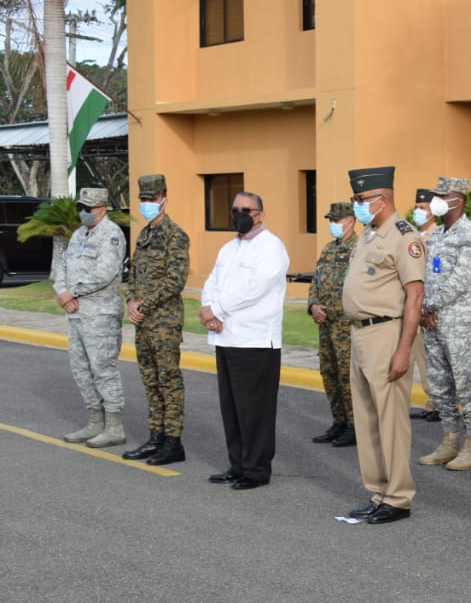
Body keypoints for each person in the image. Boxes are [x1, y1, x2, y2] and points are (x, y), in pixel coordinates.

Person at [341, 166, 425, 524]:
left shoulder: (404, 237)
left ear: (382, 199)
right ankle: (378, 492)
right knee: (367, 419)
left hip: (387, 333)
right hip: (360, 334)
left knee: (390, 420)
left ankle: (399, 497)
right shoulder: (368, 234)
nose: (356, 206)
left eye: (360, 200)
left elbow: (415, 297)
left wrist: (403, 350)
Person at [200, 191, 289, 490]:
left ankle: (256, 470)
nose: (240, 214)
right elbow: (212, 281)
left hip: (255, 341)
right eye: (235, 209)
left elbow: (256, 288)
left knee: (255, 411)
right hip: (226, 338)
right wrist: (207, 309)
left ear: (260, 214)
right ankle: (237, 465)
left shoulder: (271, 247)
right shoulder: (228, 248)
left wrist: (218, 309)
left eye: (246, 210)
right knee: (233, 408)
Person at [416, 176, 471, 471]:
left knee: (466, 384)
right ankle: (449, 441)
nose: (436, 201)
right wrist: (423, 310)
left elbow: (460, 281)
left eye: (442, 195)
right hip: (433, 322)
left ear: (457, 199)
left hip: (459, 323)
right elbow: (427, 275)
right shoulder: (437, 236)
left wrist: (429, 307)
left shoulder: (470, 235)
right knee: (440, 385)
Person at [122, 174, 190, 465]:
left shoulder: (176, 235)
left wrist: (144, 303)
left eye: (152, 198)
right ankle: (156, 436)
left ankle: (173, 442)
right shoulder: (144, 235)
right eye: (143, 199)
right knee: (150, 381)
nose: (147, 204)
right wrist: (131, 302)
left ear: (164, 197)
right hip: (143, 321)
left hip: (164, 322)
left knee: (168, 380)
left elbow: (175, 281)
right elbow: (134, 275)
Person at [55, 186, 128, 448]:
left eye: (88, 208)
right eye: (81, 208)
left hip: (100, 314)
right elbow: (63, 266)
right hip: (76, 313)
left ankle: (114, 427)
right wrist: (62, 292)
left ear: (102, 208)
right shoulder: (77, 235)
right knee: (81, 369)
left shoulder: (111, 235)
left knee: (103, 370)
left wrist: (72, 292)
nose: (83, 212)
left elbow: (105, 273)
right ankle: (95, 423)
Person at [308, 202, 358, 448]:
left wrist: (332, 310)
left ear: (350, 221)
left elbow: (357, 288)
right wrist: (313, 306)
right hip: (325, 324)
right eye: (331, 220)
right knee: (329, 372)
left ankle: (354, 425)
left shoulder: (358, 249)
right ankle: (338, 421)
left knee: (348, 375)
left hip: (345, 326)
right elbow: (315, 281)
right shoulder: (328, 249)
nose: (333, 224)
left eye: (337, 220)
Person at [409, 186, 440, 422]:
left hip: (425, 307)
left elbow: (435, 275)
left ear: (433, 212)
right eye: (417, 207)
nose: (418, 211)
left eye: (423, 208)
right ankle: (431, 402)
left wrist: (428, 308)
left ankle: (437, 403)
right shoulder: (410, 236)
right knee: (415, 357)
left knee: (429, 358)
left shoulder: (437, 237)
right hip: (408, 306)